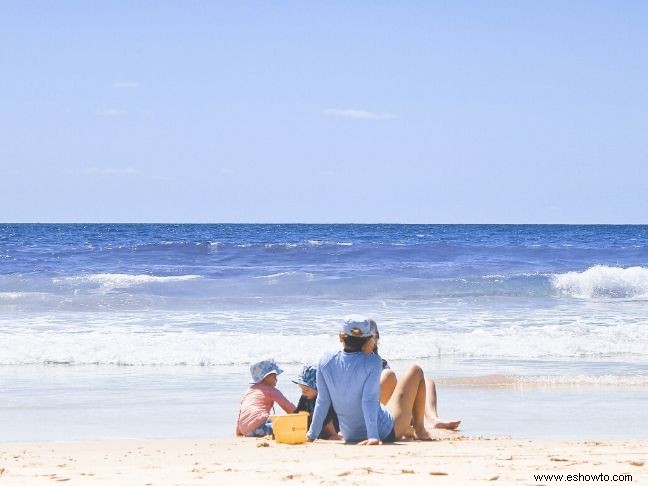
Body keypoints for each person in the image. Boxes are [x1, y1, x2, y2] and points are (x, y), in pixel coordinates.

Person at [307, 315, 439, 445]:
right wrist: (373, 436)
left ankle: (410, 427)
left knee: (386, 382)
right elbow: (368, 400)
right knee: (415, 370)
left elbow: (322, 401)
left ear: (341, 337)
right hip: (386, 432)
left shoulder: (325, 360)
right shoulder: (373, 361)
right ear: (369, 339)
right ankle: (420, 429)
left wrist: (311, 435)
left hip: (349, 434)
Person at [366, 319, 461, 431]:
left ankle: (432, 419)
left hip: (385, 405)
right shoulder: (358, 362)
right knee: (391, 377)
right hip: (373, 409)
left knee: (427, 382)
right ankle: (417, 422)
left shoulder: (380, 362)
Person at [235, 359, 296, 437]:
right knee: (286, 424)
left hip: (244, 429)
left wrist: (238, 432)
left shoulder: (249, 391)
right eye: (274, 377)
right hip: (259, 428)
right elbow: (288, 407)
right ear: (266, 377)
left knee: (273, 419)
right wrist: (300, 417)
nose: (276, 380)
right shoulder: (271, 390)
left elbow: (241, 413)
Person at [293, 365, 341, 440]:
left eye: (306, 390)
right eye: (302, 389)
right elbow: (297, 413)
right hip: (314, 427)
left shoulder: (324, 399)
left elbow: (329, 418)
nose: (303, 393)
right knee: (302, 416)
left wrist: (334, 433)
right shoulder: (304, 397)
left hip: (330, 426)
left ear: (318, 388)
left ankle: (334, 434)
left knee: (324, 414)